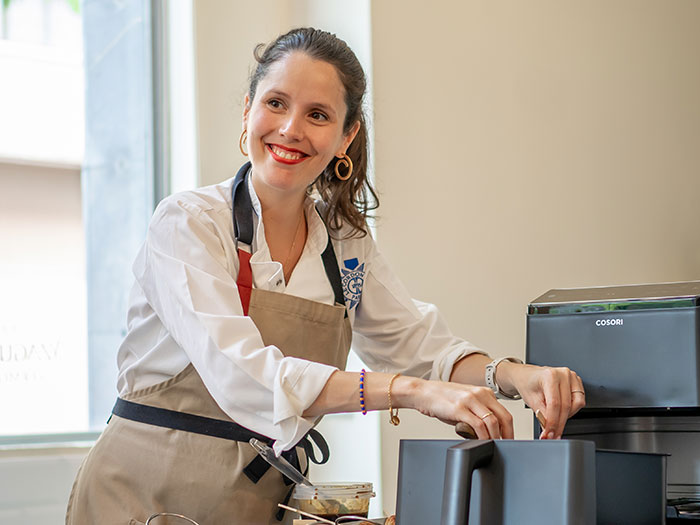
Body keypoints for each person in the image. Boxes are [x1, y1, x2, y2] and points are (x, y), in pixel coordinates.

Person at [66, 27, 585, 525]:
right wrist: (410, 393)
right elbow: (243, 375)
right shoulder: (189, 223)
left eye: (317, 114)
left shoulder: (344, 243)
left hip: (254, 502)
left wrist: (516, 376)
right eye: (275, 103)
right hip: (141, 498)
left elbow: (419, 347)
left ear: (346, 135)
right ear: (248, 111)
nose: (291, 129)